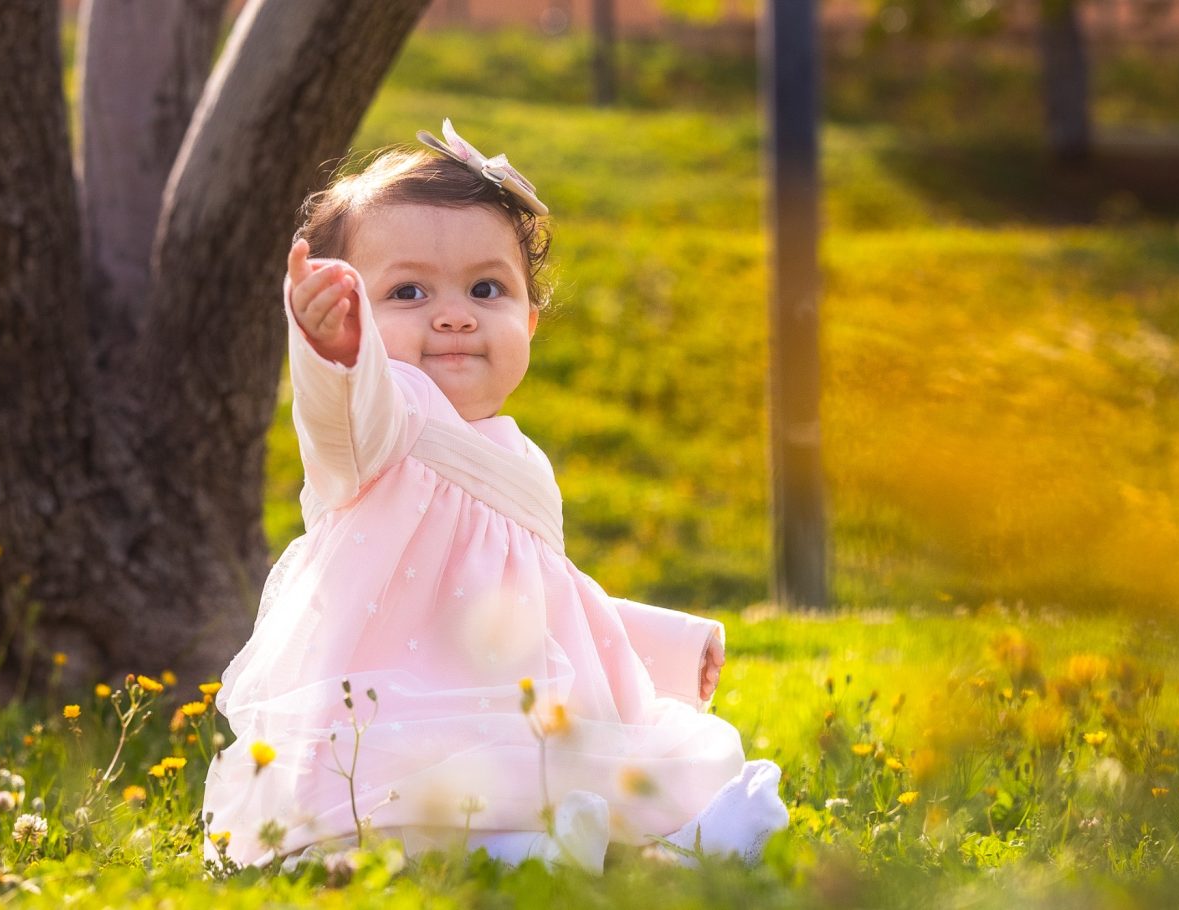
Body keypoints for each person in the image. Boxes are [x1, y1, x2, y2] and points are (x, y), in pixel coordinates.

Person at [201, 121, 788, 872]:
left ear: (531, 322)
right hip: (408, 721)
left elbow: (551, 593)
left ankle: (638, 844)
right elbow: (338, 419)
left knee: (597, 780)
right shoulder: (387, 420)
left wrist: (665, 643)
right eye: (406, 291)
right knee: (430, 822)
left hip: (521, 714)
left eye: (487, 289)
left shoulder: (520, 457)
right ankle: (543, 855)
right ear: (354, 316)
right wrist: (335, 355)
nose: (454, 313)